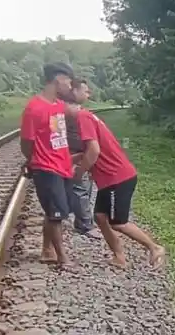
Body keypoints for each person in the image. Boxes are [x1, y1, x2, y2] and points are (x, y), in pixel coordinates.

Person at [67, 94, 167, 268]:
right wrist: (66, 161)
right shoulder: (87, 117)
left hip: (117, 178)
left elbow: (94, 151)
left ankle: (155, 247)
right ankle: (119, 257)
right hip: (108, 179)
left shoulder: (82, 117)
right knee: (99, 216)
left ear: (68, 105)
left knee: (118, 223)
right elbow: (89, 152)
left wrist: (80, 171)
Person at [20, 62, 75, 267]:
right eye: (68, 81)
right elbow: (26, 142)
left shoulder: (57, 105)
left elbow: (75, 105)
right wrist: (33, 161)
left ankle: (46, 250)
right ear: (58, 79)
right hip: (46, 167)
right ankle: (62, 257)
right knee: (56, 214)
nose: (69, 86)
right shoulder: (34, 108)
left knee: (55, 211)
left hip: (63, 166)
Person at [64, 78, 97, 236]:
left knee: (83, 187)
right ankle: (85, 224)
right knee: (80, 188)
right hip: (74, 154)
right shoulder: (70, 110)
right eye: (85, 90)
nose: (88, 93)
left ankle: (81, 220)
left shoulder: (72, 109)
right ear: (74, 91)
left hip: (80, 153)